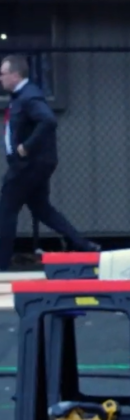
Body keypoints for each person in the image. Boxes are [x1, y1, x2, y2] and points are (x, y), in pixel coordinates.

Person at [0, 55, 99, 270]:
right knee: (42, 209)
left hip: (27, 166)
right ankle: (84, 245)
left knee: (6, 210)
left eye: (3, 74)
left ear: (15, 75)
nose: (0, 78)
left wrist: (26, 147)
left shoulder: (29, 97)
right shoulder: (22, 96)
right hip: (35, 165)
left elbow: (48, 120)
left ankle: (2, 265)